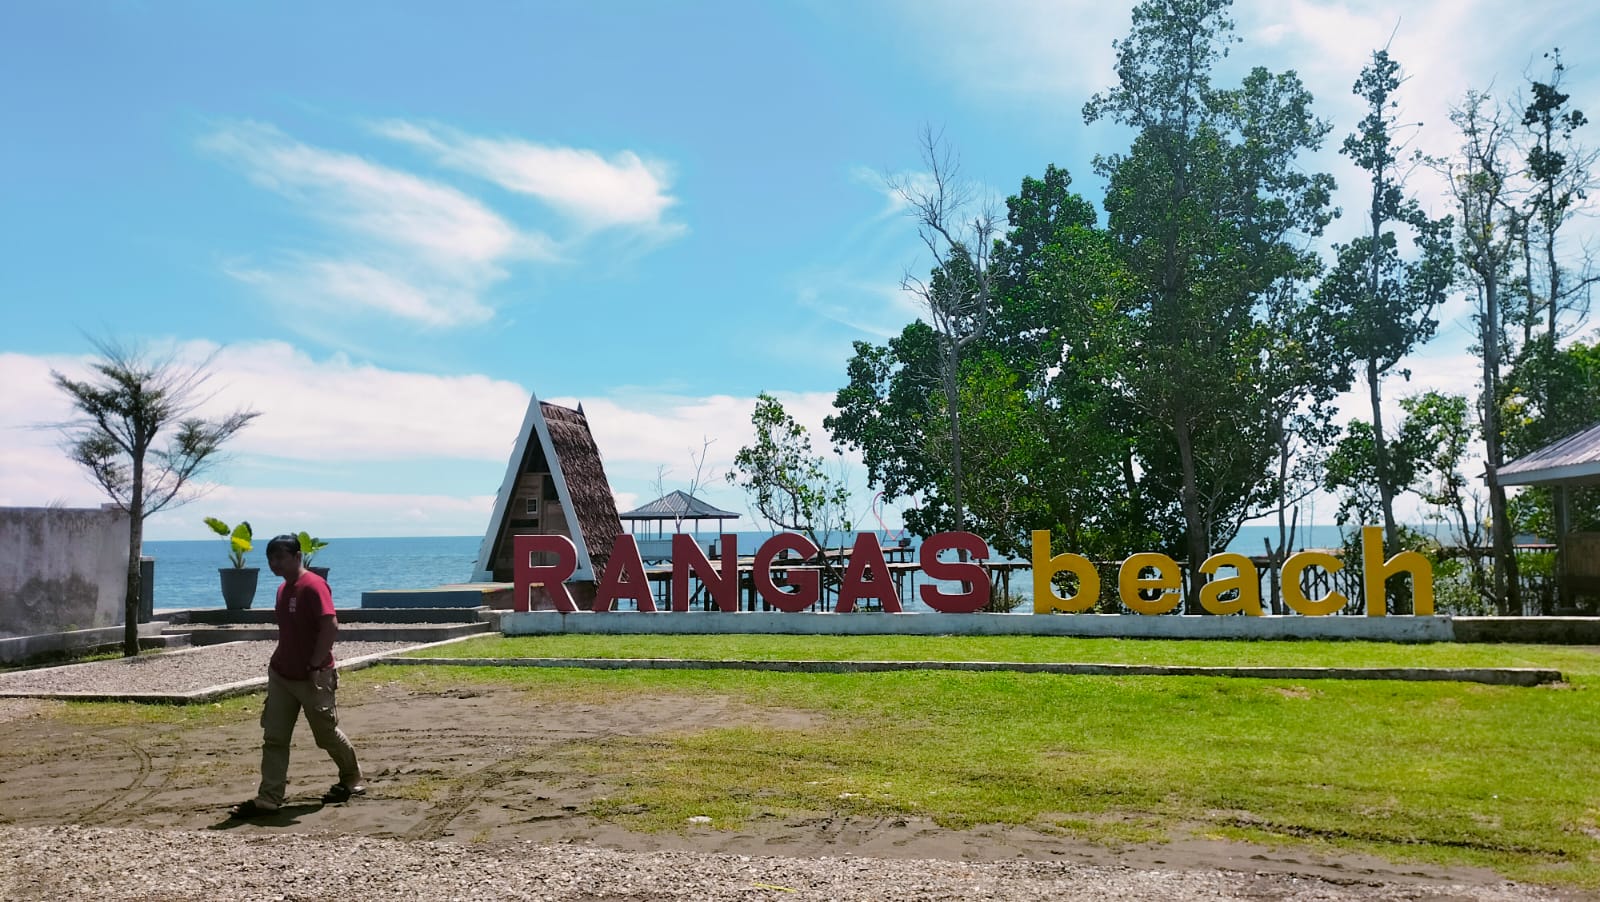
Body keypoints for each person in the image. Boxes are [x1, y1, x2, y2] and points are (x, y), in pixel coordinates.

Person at [229, 534, 364, 818]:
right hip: (281, 675)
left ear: (296, 556)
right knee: (275, 737)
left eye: (279, 557)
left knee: (325, 734)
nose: (274, 563)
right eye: (270, 558)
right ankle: (269, 798)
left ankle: (351, 779)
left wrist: (316, 665)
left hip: (313, 676)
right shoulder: (282, 590)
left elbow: (330, 625)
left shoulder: (313, 585)